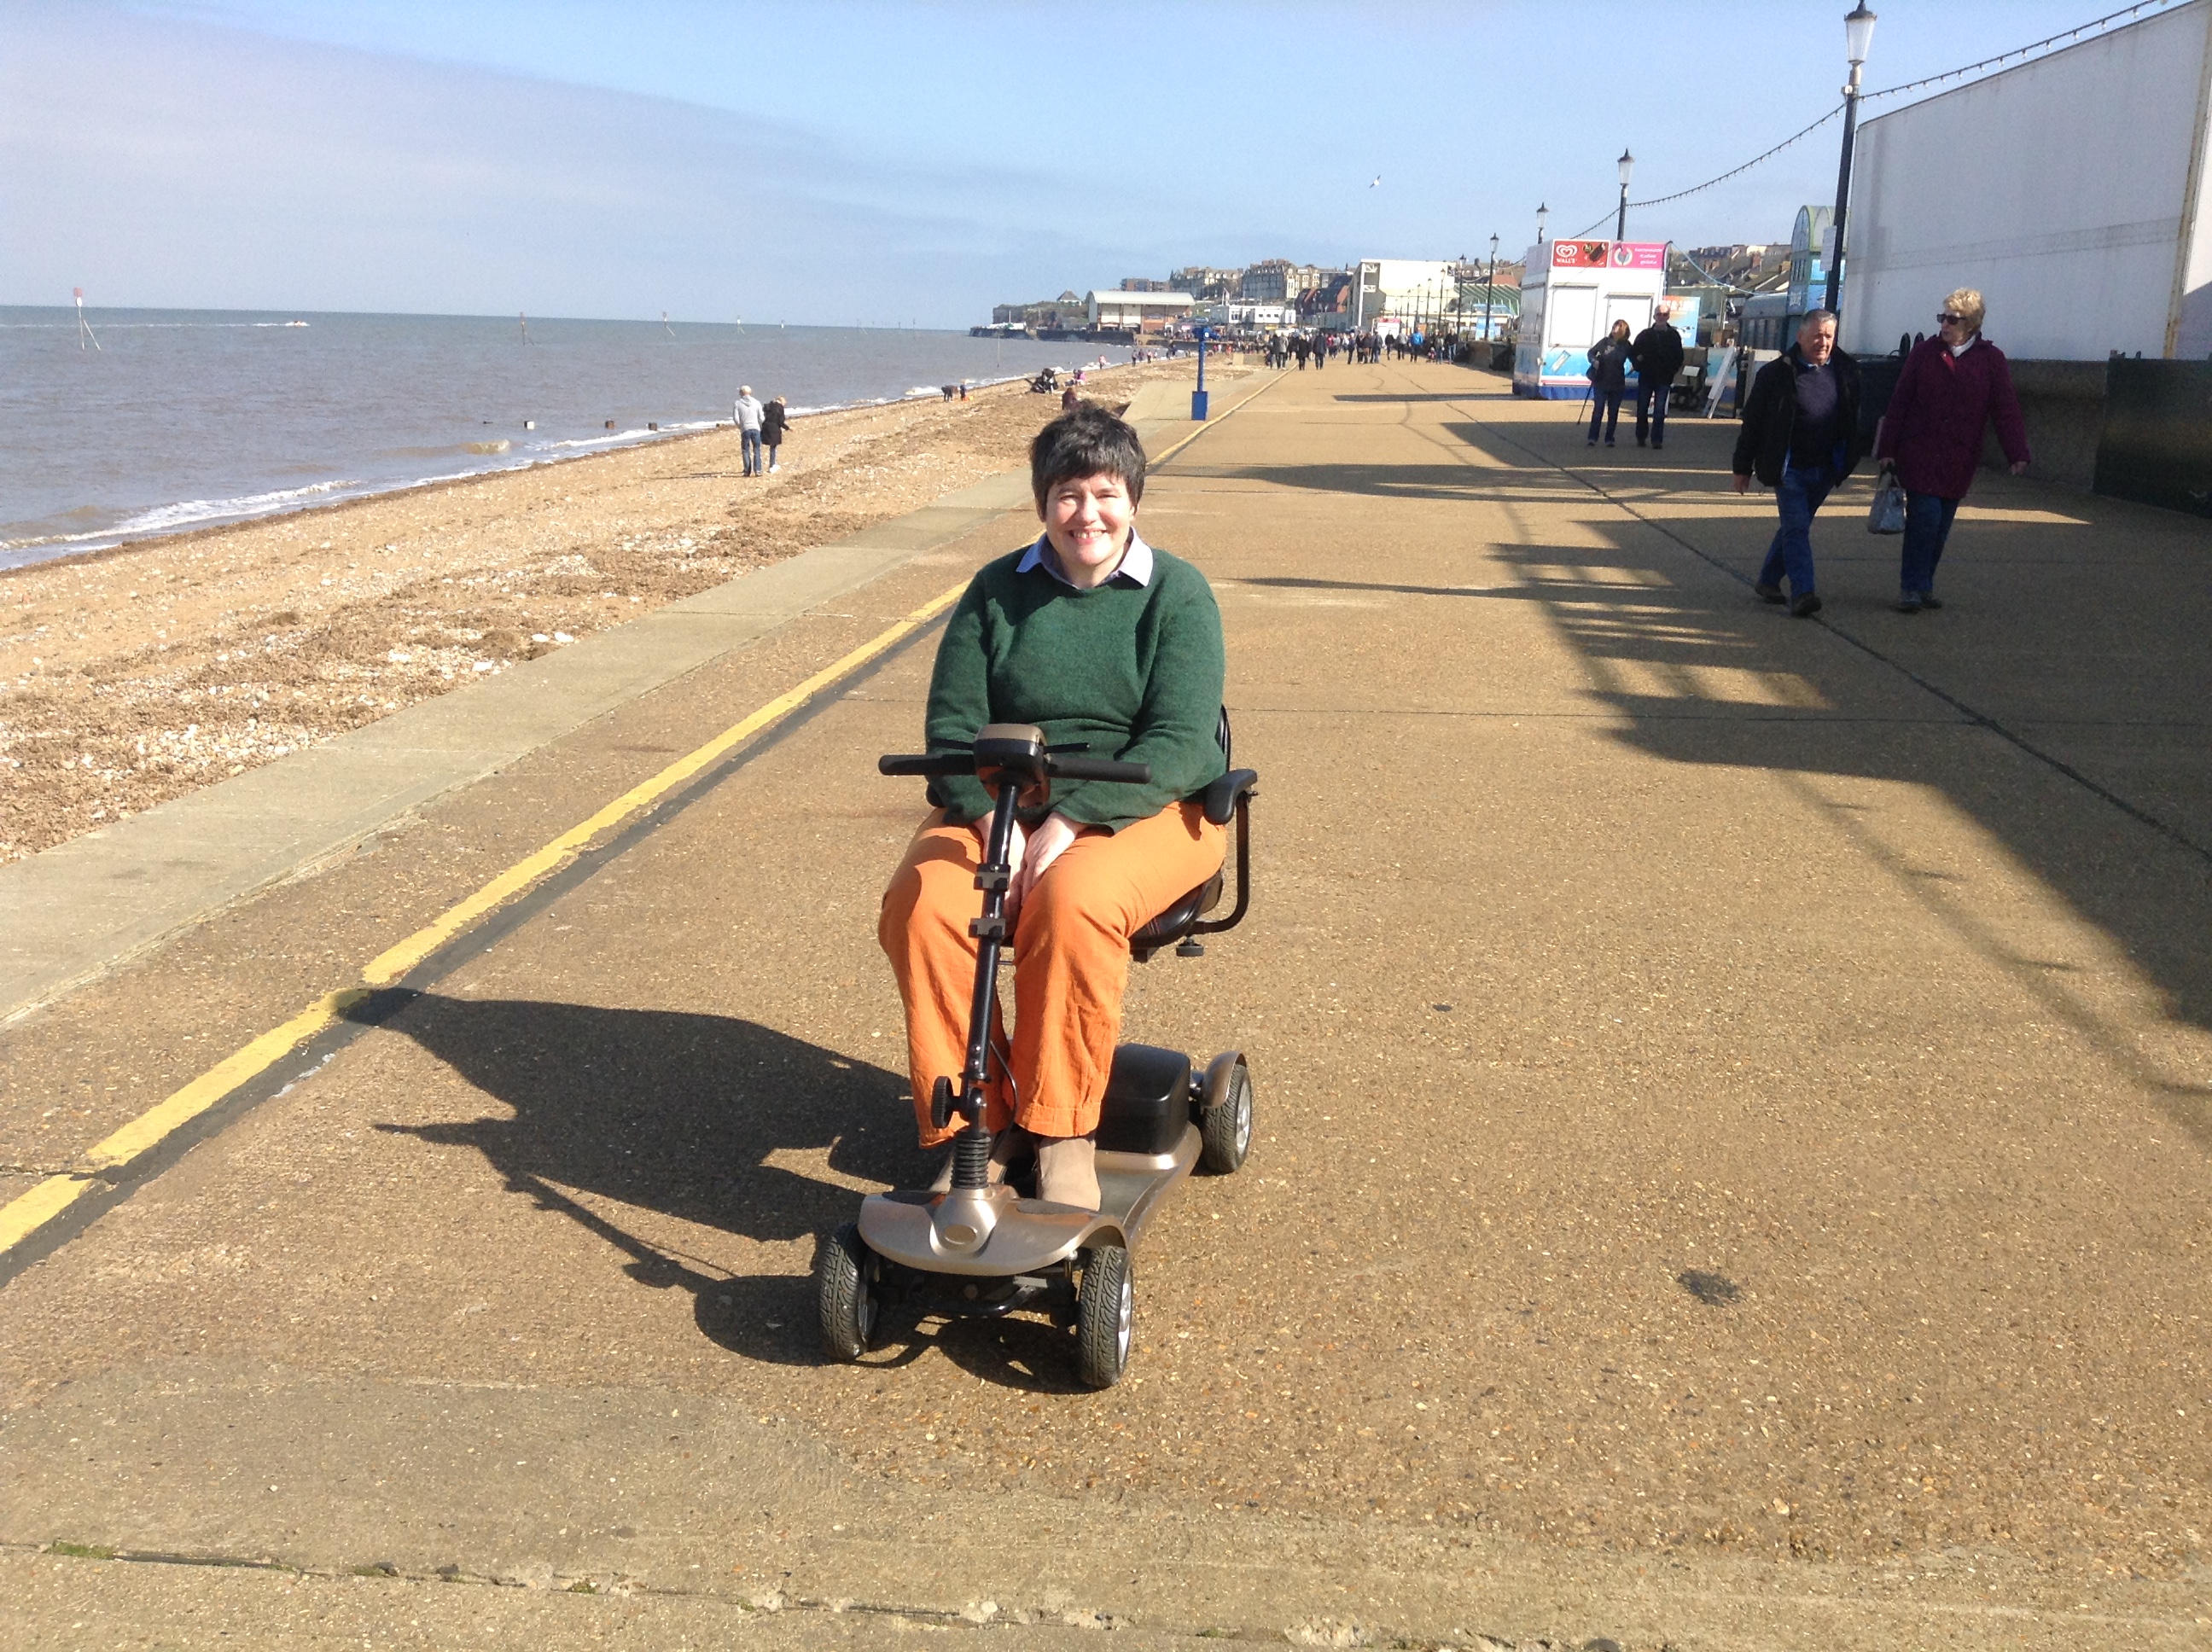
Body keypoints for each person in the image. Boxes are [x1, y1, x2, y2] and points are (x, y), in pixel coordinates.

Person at [879, 406, 1228, 1212]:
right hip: (1002, 799)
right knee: (924, 906)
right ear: (1043, 503)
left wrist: (1068, 822)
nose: (1087, 514)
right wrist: (993, 824)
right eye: (1067, 495)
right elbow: (953, 727)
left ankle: (1062, 1126)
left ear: (1133, 498)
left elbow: (1182, 742)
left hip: (1148, 805)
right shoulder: (995, 592)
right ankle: (978, 1121)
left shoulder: (1178, 594)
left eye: (1105, 492)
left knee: (1073, 901)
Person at [1872, 287, 2030, 613]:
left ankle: (1924, 584)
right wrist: (1888, 447)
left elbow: (2006, 409)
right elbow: (1899, 402)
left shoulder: (1990, 360)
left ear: (1971, 324)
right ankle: (1911, 588)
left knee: (1941, 527)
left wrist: (2017, 452)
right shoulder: (1923, 354)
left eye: (1953, 320)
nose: (1944, 325)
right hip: (1919, 452)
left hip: (1959, 456)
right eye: (1942, 317)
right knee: (1924, 521)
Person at [1732, 310, 1865, 618]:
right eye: (1817, 335)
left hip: (1826, 467)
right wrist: (1742, 467)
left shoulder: (1847, 371)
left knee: (1797, 527)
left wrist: (1849, 458)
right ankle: (1803, 592)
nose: (1823, 342)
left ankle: (1767, 580)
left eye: (1829, 336)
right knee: (1796, 529)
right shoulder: (1776, 374)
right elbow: (1752, 422)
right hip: (1788, 466)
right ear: (1800, 336)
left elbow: (1854, 420)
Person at [1630, 307, 1685, 450]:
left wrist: (1671, 371)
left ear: (1668, 317)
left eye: (1664, 314)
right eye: (1659, 314)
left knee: (1659, 411)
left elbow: (1679, 356)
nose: (1661, 317)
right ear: (1654, 316)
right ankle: (1641, 437)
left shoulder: (1673, 335)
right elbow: (1634, 352)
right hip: (1646, 377)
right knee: (1642, 408)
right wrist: (1638, 364)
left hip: (1664, 379)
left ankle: (1657, 440)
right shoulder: (1645, 335)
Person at [1585, 319, 1633, 446]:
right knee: (1598, 409)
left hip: (1617, 383)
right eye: (1614, 326)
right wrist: (1594, 361)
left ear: (1624, 330)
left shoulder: (1626, 345)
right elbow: (1591, 352)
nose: (1614, 328)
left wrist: (1636, 365)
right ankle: (1592, 437)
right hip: (1601, 381)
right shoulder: (1605, 342)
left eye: (1618, 327)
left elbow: (1635, 358)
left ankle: (1609, 438)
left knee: (1613, 412)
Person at [733, 384, 765, 477]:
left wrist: (740, 426)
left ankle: (747, 470)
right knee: (757, 449)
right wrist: (759, 425)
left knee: (745, 449)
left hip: (745, 429)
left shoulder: (738, 403)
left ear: (742, 393)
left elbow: (736, 418)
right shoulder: (757, 402)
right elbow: (762, 418)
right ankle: (758, 470)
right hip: (756, 428)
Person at [760, 394, 790, 474]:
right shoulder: (779, 407)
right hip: (774, 429)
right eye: (784, 403)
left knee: (759, 447)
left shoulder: (767, 406)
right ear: (781, 401)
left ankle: (759, 466)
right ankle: (772, 465)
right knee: (773, 447)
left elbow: (762, 416)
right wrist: (788, 428)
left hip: (765, 427)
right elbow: (780, 421)